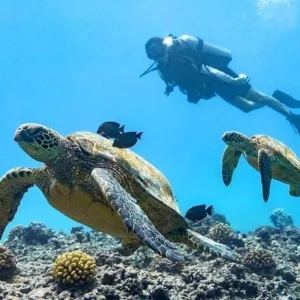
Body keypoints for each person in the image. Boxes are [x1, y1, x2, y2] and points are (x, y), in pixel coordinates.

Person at [141, 34, 300, 134]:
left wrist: (234, 80)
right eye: (151, 52)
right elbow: (182, 80)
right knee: (247, 107)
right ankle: (275, 97)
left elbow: (204, 68)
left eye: (155, 47)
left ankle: (293, 117)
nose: (154, 52)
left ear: (163, 44)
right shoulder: (164, 69)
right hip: (215, 85)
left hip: (221, 74)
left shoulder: (179, 52)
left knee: (257, 96)